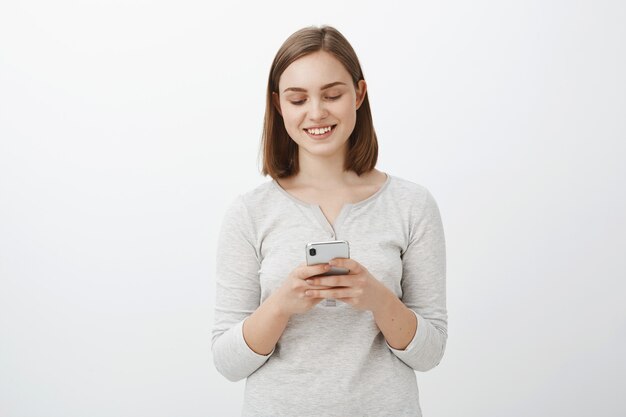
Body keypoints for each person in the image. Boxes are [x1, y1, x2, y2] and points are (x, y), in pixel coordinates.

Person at [211, 25, 447, 417]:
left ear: (359, 94)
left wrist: (377, 299)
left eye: (332, 94)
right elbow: (227, 362)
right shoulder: (249, 213)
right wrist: (281, 305)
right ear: (278, 105)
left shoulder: (412, 205)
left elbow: (430, 354)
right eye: (298, 99)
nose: (316, 112)